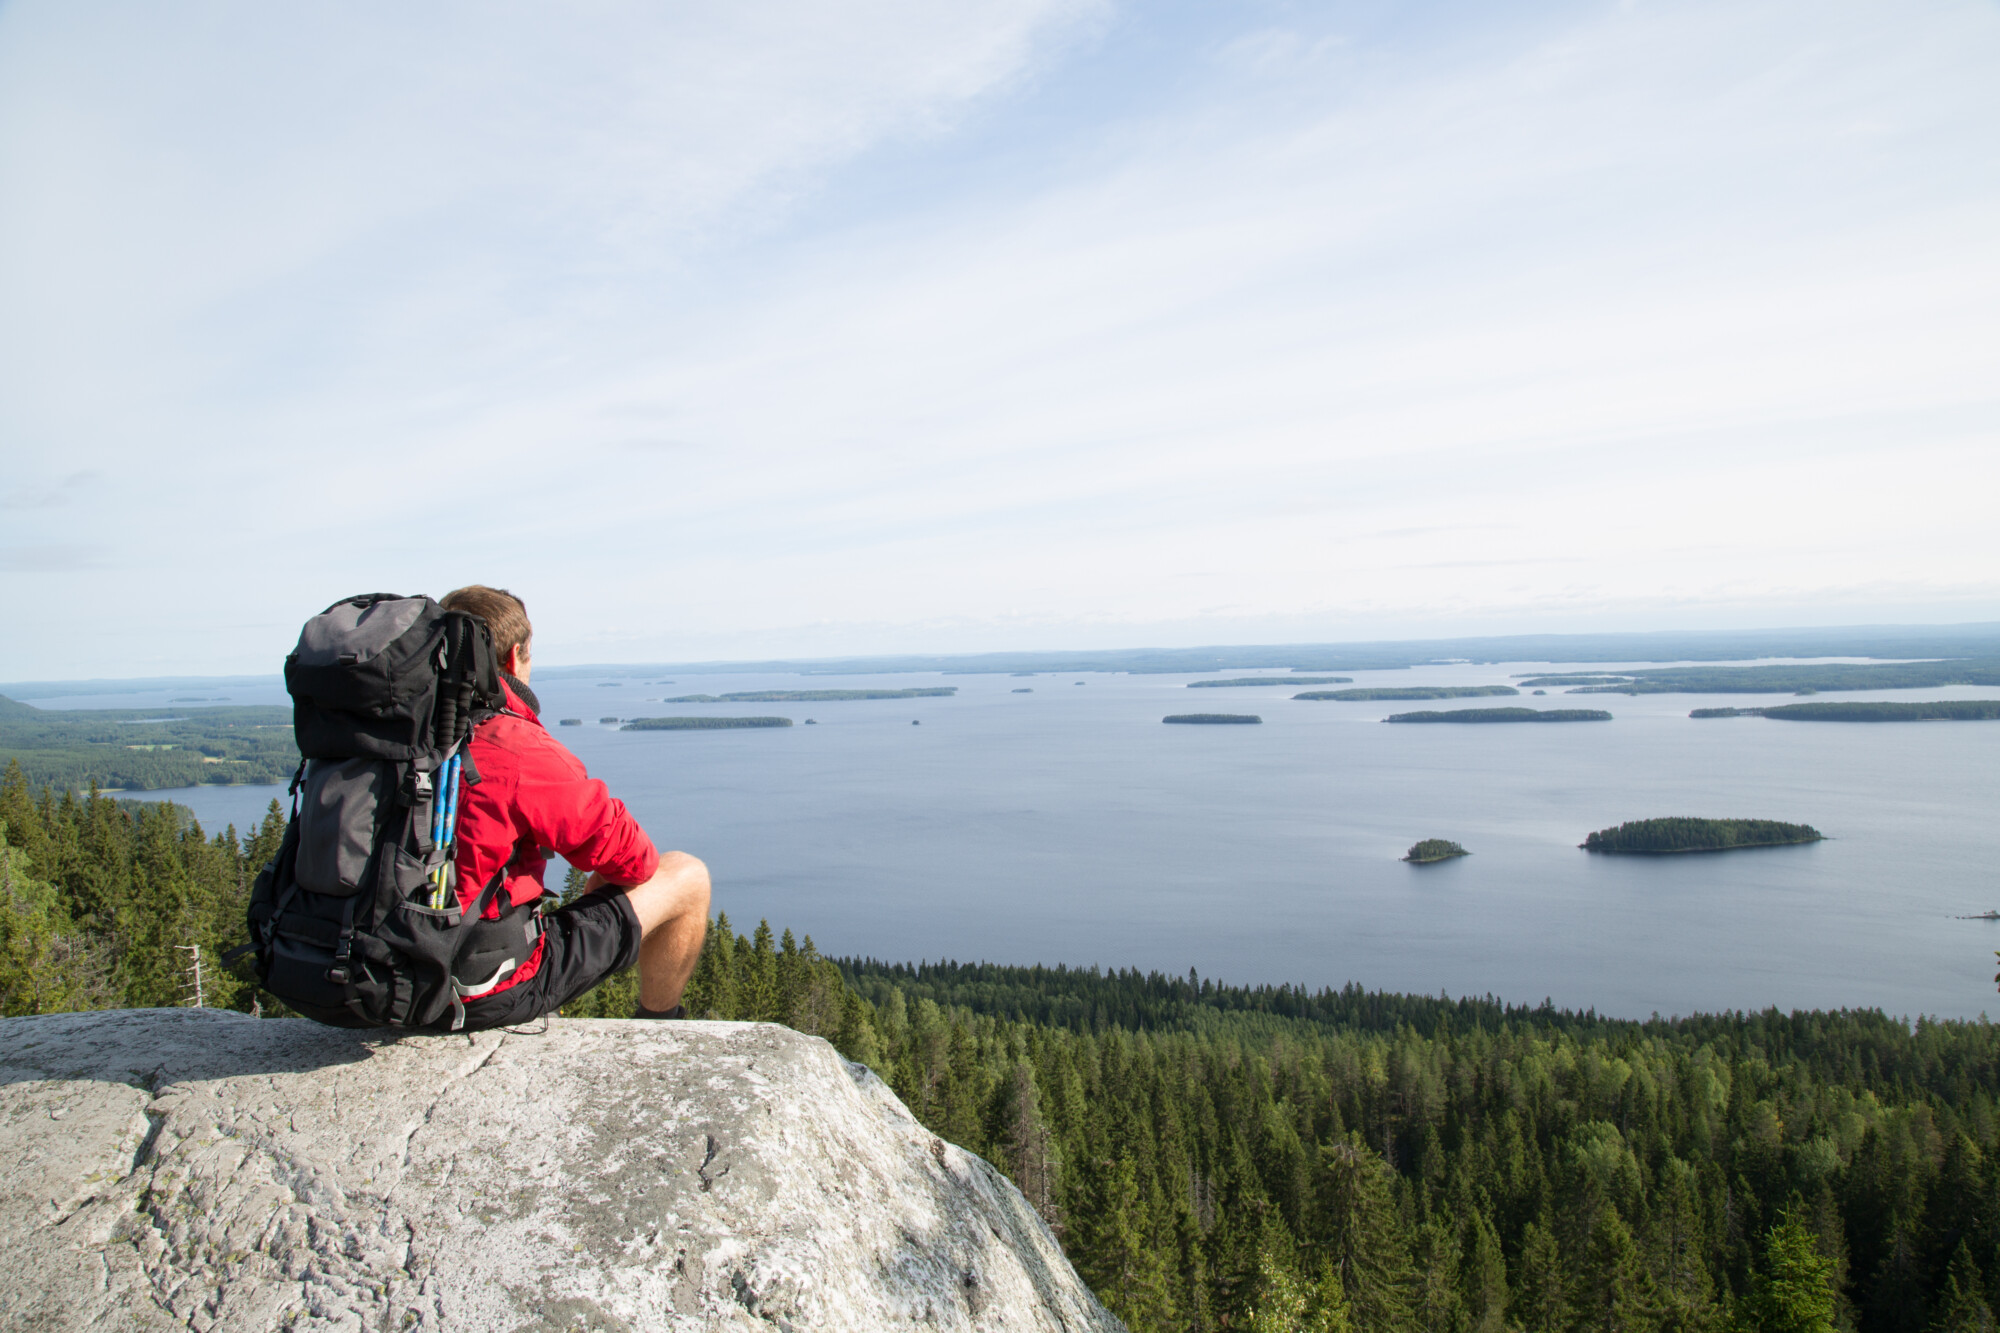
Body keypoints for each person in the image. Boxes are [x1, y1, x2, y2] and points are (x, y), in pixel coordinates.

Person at [435, 584, 709, 1027]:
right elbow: (634, 862)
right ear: (513, 658)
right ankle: (660, 1029)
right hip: (476, 992)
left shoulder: (379, 740)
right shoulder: (514, 746)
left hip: (363, 974)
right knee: (688, 876)